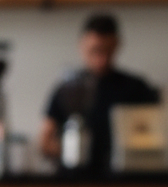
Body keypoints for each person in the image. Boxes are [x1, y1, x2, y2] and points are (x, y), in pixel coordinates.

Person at [39, 13, 160, 174]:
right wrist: (71, 151)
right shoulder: (68, 89)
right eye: (94, 51)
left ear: (117, 45)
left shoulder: (136, 88)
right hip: (73, 180)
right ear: (82, 45)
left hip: (124, 179)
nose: (101, 59)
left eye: (107, 51)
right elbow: (45, 141)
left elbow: (156, 135)